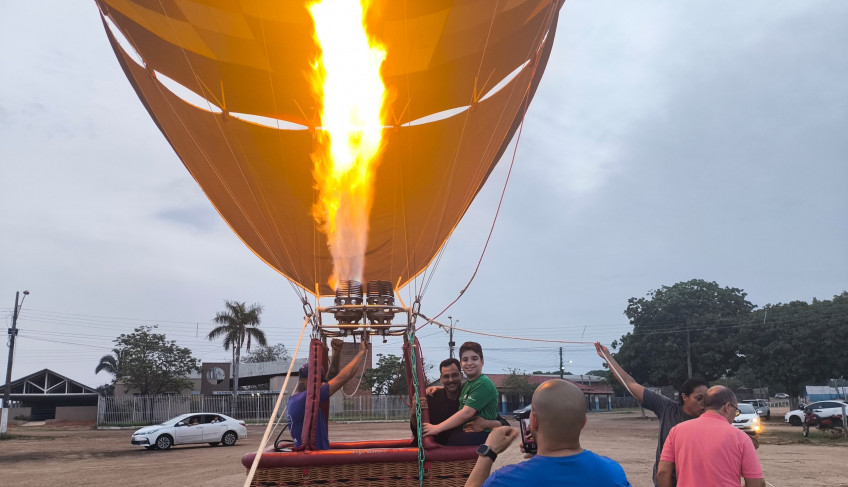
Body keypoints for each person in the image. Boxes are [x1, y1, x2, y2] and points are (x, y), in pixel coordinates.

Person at [465, 379, 631, 487]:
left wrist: (488, 452)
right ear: (583, 423)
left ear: (534, 422)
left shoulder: (505, 480)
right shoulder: (613, 473)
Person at [596, 342, 706, 486]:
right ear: (685, 397)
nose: (704, 403)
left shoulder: (709, 418)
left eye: (707, 398)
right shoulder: (667, 408)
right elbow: (630, 384)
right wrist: (608, 357)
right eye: (699, 398)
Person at [658, 386, 765, 487]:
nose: (734, 416)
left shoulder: (676, 431)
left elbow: (663, 472)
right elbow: (756, 483)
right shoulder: (741, 437)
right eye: (736, 411)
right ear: (727, 407)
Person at [287, 337, 368, 450]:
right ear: (311, 380)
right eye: (320, 382)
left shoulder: (297, 399)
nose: (322, 385)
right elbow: (344, 377)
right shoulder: (305, 399)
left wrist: (336, 353)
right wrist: (361, 352)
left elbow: (331, 378)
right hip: (314, 461)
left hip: (311, 458)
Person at [411, 357, 505, 445]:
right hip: (436, 455)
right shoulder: (431, 397)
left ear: (461, 375)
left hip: (463, 456)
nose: (451, 380)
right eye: (446, 376)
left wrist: (486, 424)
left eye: (454, 375)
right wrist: (414, 414)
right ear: (441, 379)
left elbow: (504, 423)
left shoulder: (470, 397)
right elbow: (418, 431)